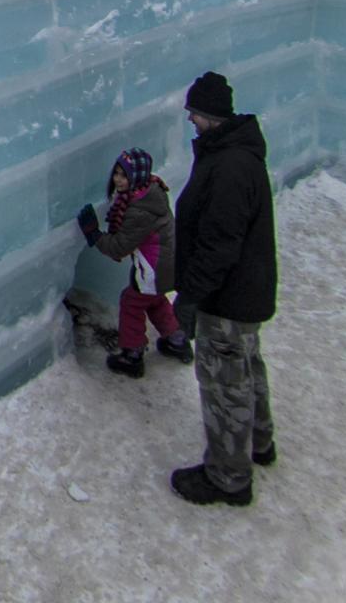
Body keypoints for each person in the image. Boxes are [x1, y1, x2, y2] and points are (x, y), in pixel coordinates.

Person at [168, 71, 278, 507]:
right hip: (245, 290)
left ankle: (228, 477)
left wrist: (192, 296)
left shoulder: (230, 166)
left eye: (195, 112)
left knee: (224, 383)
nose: (191, 118)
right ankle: (259, 442)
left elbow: (218, 245)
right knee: (247, 369)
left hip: (227, 297)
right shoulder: (236, 153)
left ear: (212, 115)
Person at [76, 147, 193, 377]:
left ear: (136, 177)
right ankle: (176, 340)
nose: (118, 180)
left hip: (154, 268)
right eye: (116, 173)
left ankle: (132, 354)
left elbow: (120, 246)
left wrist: (94, 235)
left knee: (131, 302)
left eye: (124, 175)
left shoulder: (138, 210)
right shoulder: (150, 192)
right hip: (168, 265)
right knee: (154, 300)